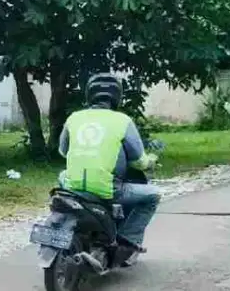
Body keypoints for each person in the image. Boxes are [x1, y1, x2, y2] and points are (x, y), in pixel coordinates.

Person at [57, 74, 160, 251]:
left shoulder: (74, 118)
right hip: (108, 190)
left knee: (62, 175)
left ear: (89, 95)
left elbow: (63, 151)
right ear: (117, 97)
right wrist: (151, 161)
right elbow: (139, 161)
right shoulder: (123, 121)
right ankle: (128, 239)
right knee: (153, 195)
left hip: (71, 187)